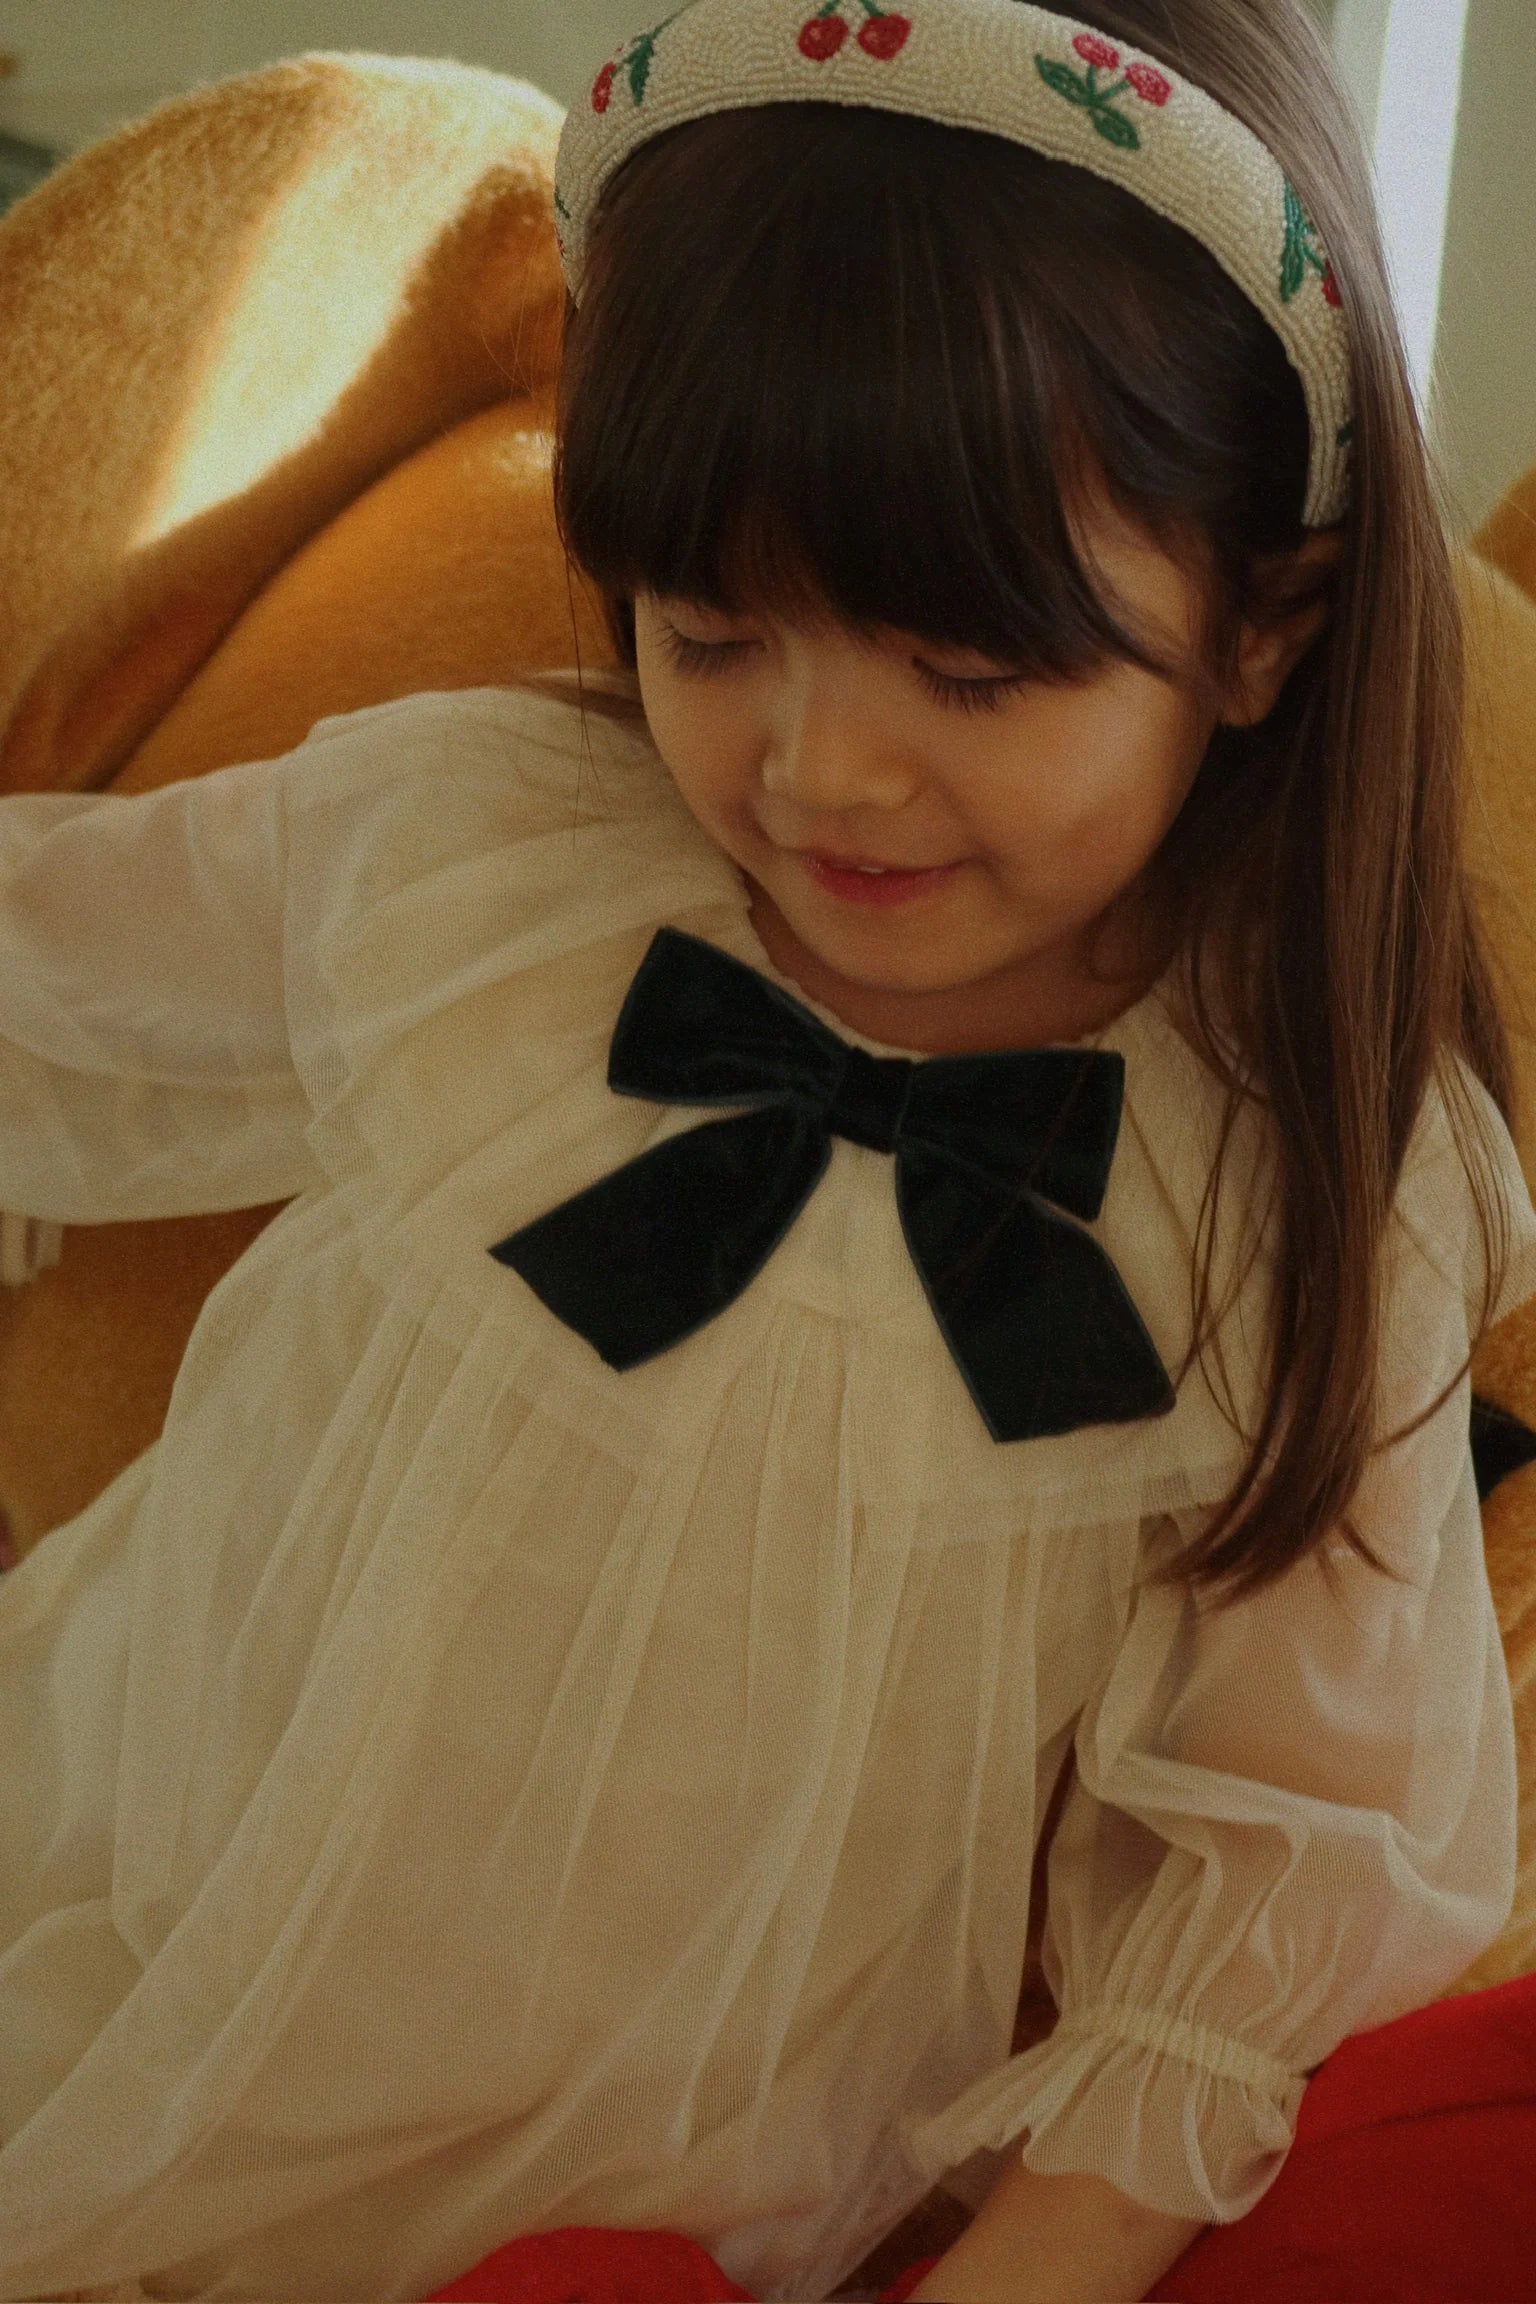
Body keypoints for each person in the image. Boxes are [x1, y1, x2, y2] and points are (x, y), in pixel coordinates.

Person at [2, 2, 1534, 2299]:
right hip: (125, 1914)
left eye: (974, 675)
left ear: (1261, 627)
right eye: (713, 633)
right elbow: (50, 983)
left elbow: (1261, 1902)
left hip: (682, 2189)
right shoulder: (484, 857)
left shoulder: (1301, 1187)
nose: (821, 772)